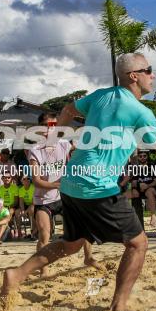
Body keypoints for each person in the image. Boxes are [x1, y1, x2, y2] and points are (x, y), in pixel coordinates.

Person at [0, 52, 156, 311]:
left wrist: (56, 138)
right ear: (134, 76)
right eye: (148, 70)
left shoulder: (101, 95)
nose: (153, 75)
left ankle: (16, 274)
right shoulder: (140, 111)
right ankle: (120, 304)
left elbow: (68, 110)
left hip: (71, 181)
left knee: (71, 245)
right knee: (138, 243)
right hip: (96, 185)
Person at [28, 111, 100, 274]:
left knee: (85, 225)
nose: (50, 130)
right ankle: (43, 268)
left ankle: (88, 257)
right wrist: (57, 184)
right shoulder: (35, 150)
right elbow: (36, 181)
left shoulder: (64, 144)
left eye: (53, 126)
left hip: (62, 196)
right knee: (45, 234)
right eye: (47, 127)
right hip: (43, 200)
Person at [132, 151, 156, 231]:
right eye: (140, 156)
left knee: (149, 192)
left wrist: (147, 186)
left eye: (144, 156)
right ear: (138, 157)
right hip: (140, 189)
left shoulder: (153, 166)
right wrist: (138, 186)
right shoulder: (136, 168)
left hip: (151, 188)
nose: (142, 158)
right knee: (131, 194)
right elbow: (133, 183)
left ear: (147, 156)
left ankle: (153, 215)